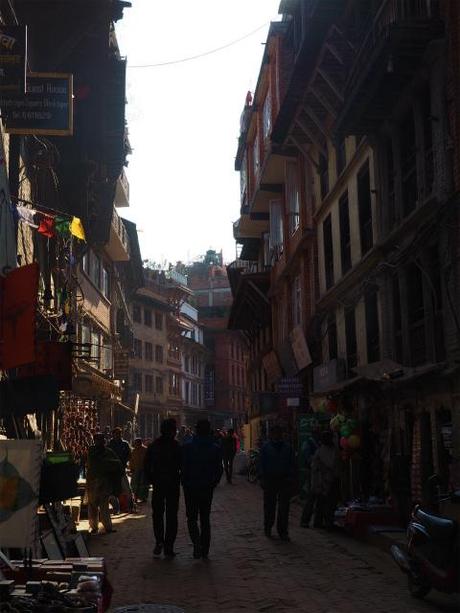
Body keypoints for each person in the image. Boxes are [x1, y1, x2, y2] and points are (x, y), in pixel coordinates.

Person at [182, 419, 223, 559]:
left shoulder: (187, 447)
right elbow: (219, 469)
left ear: (196, 430)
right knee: (205, 518)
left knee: (192, 518)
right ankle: (205, 549)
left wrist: (185, 483)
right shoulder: (215, 448)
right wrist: (213, 483)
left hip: (191, 487)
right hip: (207, 487)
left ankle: (197, 544)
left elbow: (183, 468)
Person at [144, 418, 181, 558]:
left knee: (158, 515)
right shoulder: (176, 446)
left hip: (158, 484)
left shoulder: (154, 446)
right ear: (172, 431)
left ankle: (159, 541)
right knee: (171, 516)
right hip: (172, 485)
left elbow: (146, 465)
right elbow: (182, 465)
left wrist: (151, 480)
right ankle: (168, 546)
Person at [259, 425, 296, 541]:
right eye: (275, 432)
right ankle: (268, 527)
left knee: (284, 508)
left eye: (279, 433)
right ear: (271, 434)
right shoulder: (265, 447)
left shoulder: (288, 447)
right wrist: (262, 478)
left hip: (284, 480)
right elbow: (261, 464)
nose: (277, 435)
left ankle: (283, 531)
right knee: (269, 506)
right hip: (270, 480)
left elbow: (292, 463)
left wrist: (291, 477)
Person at [86, 433, 123, 534]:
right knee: (93, 506)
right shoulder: (92, 451)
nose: (100, 442)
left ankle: (107, 527)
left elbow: (117, 463)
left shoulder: (108, 451)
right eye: (98, 440)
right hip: (93, 482)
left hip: (104, 483)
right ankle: (94, 527)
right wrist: (107, 463)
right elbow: (96, 463)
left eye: (101, 440)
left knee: (104, 506)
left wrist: (107, 464)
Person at [310, 430, 341, 530]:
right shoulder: (322, 450)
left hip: (331, 480)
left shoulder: (332, 449)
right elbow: (328, 464)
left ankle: (327, 522)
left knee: (329, 503)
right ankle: (322, 522)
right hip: (323, 481)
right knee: (322, 503)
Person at [108, 427, 132, 513]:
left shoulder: (125, 444)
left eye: (119, 433)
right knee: (112, 490)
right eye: (116, 433)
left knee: (127, 489)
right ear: (113, 434)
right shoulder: (110, 444)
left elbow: (129, 455)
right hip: (112, 471)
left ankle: (130, 506)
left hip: (121, 470)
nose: (118, 435)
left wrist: (125, 462)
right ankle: (116, 508)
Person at [300, 429, 320, 528]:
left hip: (321, 474)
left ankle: (317, 521)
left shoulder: (319, 443)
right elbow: (307, 458)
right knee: (311, 496)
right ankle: (305, 520)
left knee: (318, 498)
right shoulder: (308, 443)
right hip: (311, 471)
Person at [129, 438, 148, 503]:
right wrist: (131, 468)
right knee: (135, 485)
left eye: (137, 443)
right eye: (136, 443)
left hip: (144, 469)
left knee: (143, 484)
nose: (136, 444)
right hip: (136, 469)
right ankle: (135, 497)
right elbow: (131, 460)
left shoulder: (145, 450)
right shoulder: (133, 451)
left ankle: (144, 497)